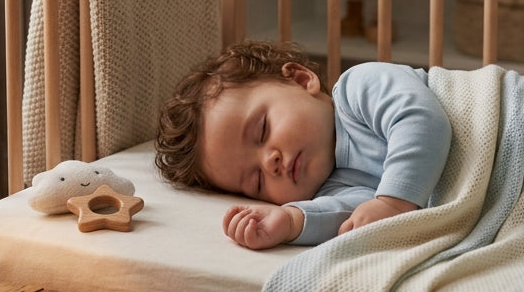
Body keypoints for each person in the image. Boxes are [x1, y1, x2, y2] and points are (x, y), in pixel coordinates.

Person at [155, 40, 452, 250]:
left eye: (262, 130)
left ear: (300, 80)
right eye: (256, 181)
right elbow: (346, 217)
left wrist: (393, 202)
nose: (269, 162)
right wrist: (289, 222)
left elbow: (420, 119)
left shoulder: (357, 89)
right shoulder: (332, 190)